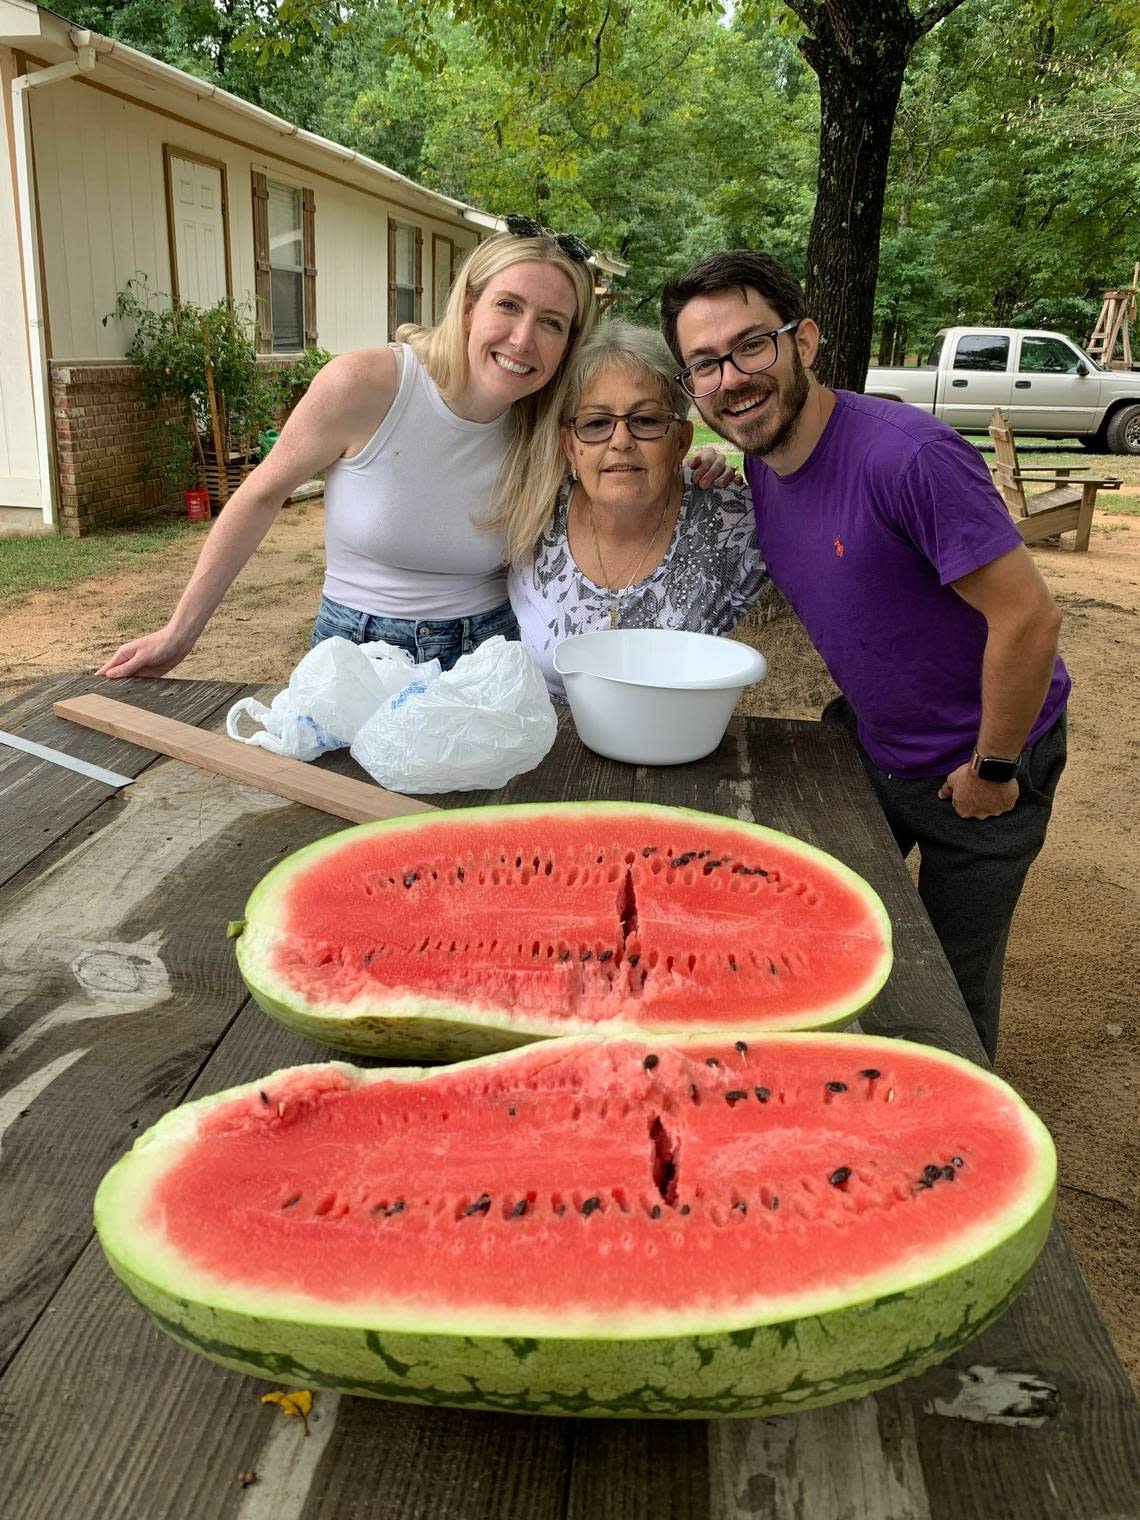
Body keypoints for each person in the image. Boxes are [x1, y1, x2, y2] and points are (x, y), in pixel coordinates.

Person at [661, 250, 1068, 1062]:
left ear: (804, 341)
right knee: (824, 936)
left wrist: (993, 769)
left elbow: (1028, 618)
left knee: (948, 986)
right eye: (705, 363)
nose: (731, 378)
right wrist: (712, 468)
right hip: (873, 747)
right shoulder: (760, 461)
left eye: (752, 345)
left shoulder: (906, 457)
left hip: (984, 762)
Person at [98, 218, 601, 679]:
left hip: (489, 659)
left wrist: (683, 474)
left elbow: (628, 482)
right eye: (508, 305)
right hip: (359, 653)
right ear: (469, 307)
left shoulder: (554, 424)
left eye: (551, 322)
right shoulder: (367, 385)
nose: (522, 339)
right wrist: (179, 632)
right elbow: (260, 496)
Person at [506, 321, 767, 698]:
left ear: (681, 441)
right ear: (569, 446)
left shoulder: (734, 523)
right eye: (596, 423)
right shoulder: (532, 512)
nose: (621, 441)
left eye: (646, 420)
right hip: (546, 747)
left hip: (677, 745)